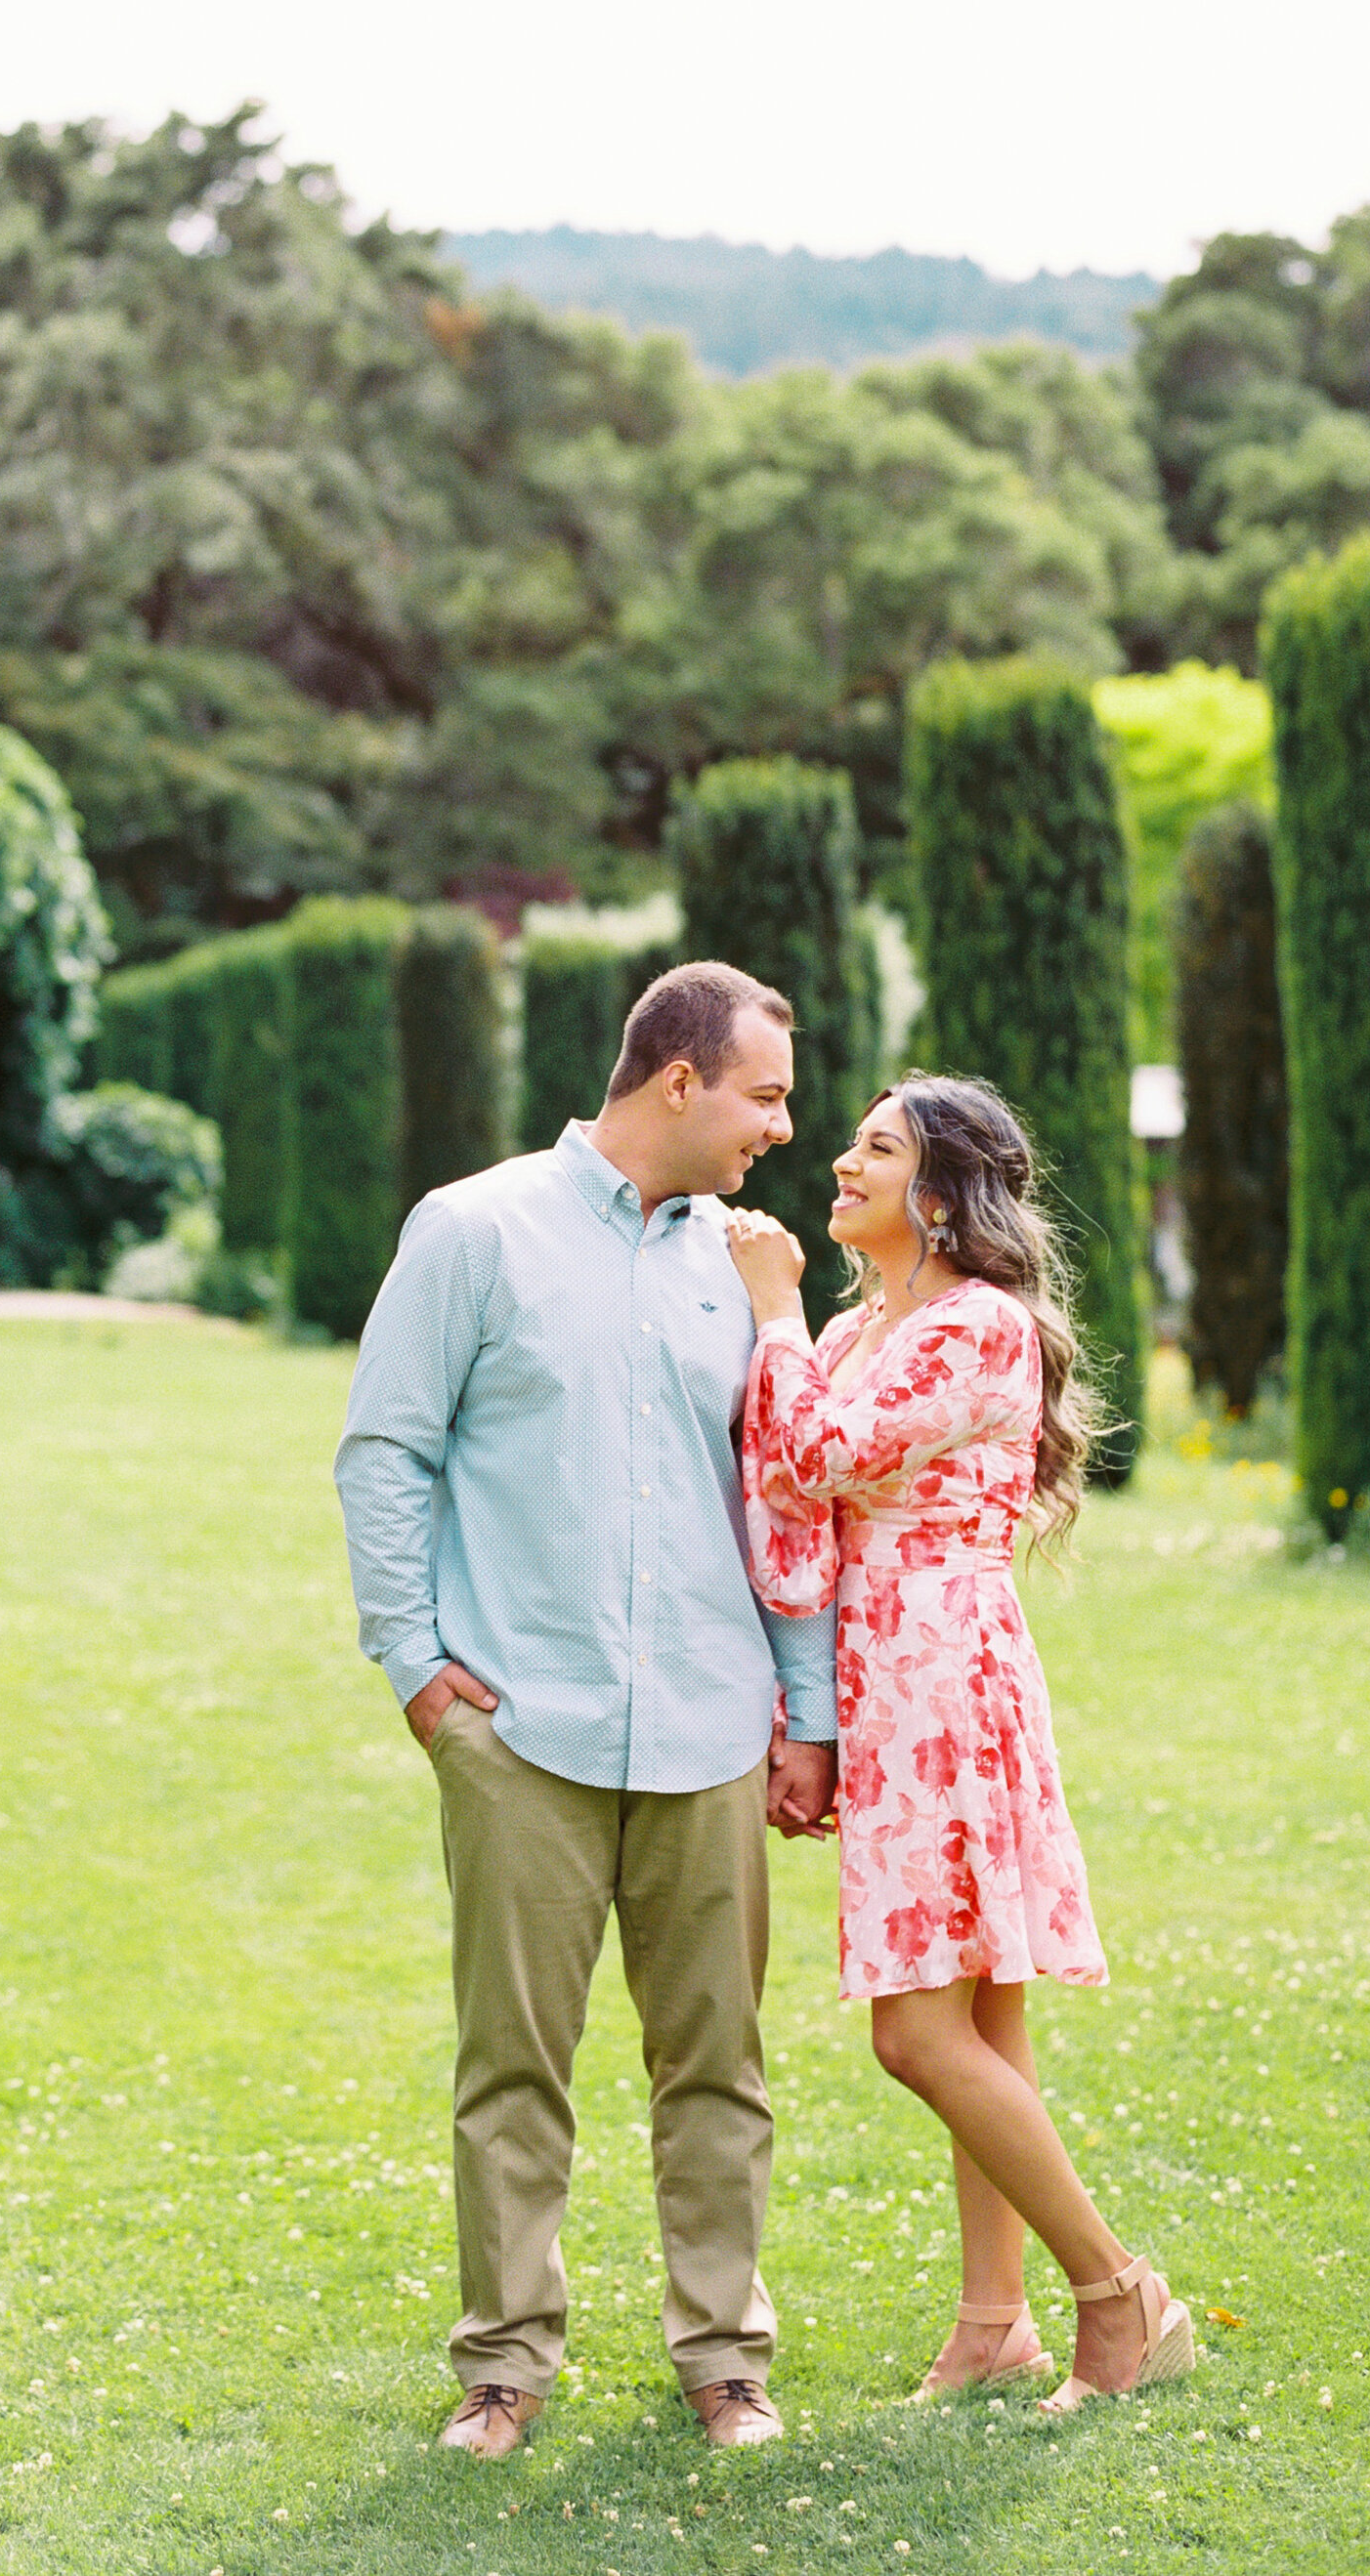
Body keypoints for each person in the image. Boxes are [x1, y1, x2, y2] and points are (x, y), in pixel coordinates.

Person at [334, 962, 840, 2463]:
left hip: (708, 1726)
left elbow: (789, 1497)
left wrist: (803, 1711)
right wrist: (417, 1664)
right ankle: (503, 2368)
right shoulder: (473, 1228)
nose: (784, 1127)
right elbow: (383, 1450)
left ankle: (725, 2362)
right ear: (676, 1079)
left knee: (719, 2068)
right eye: (765, 1094)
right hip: (522, 1730)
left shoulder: (746, 1270)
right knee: (511, 2065)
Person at [723, 1075, 1196, 2414]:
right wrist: (801, 1711)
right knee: (985, 2007)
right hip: (889, 1671)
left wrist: (768, 1313)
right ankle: (996, 2321)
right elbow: (789, 1499)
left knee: (916, 2031)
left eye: (876, 1147)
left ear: (938, 1194)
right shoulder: (867, 1322)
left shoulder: (976, 1326)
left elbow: (807, 1455)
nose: (841, 1160)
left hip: (941, 1676)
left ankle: (1119, 2292)